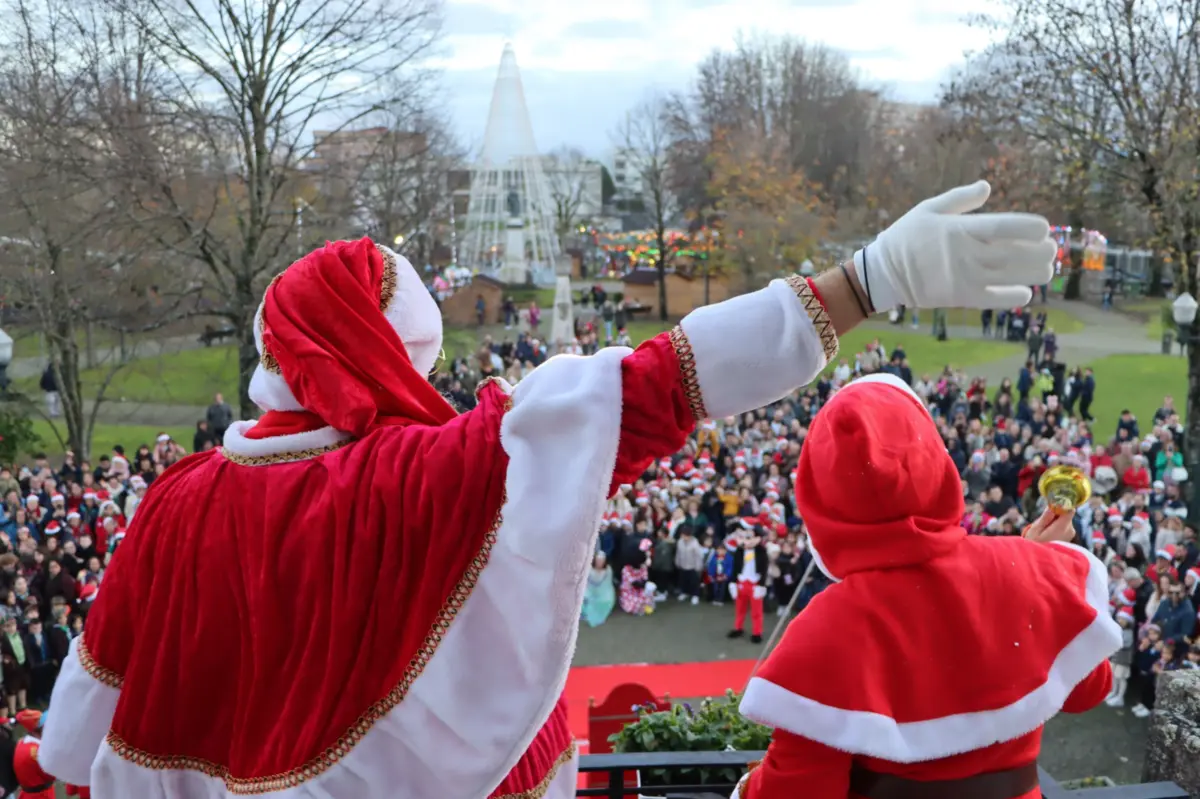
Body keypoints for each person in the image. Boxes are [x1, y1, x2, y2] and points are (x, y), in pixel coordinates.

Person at [39, 181, 1056, 798]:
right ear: (394, 354)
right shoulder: (434, 471)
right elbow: (659, 383)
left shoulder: (171, 506)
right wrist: (863, 280)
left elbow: (81, 729)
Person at [732, 373, 1121, 799]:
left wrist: (747, 787)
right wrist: (1032, 574)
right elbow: (1089, 688)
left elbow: (799, 789)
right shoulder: (1025, 569)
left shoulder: (826, 626)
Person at [12, 710, 55, 799]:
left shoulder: (21, 743)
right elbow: (53, 775)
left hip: (27, 794)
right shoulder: (38, 751)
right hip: (41, 796)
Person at [581, 552, 615, 628]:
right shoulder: (588, 570)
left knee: (606, 601)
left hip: (603, 593)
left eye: (602, 560)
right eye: (598, 560)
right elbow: (585, 584)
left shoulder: (608, 570)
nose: (600, 562)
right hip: (589, 592)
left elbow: (607, 586)